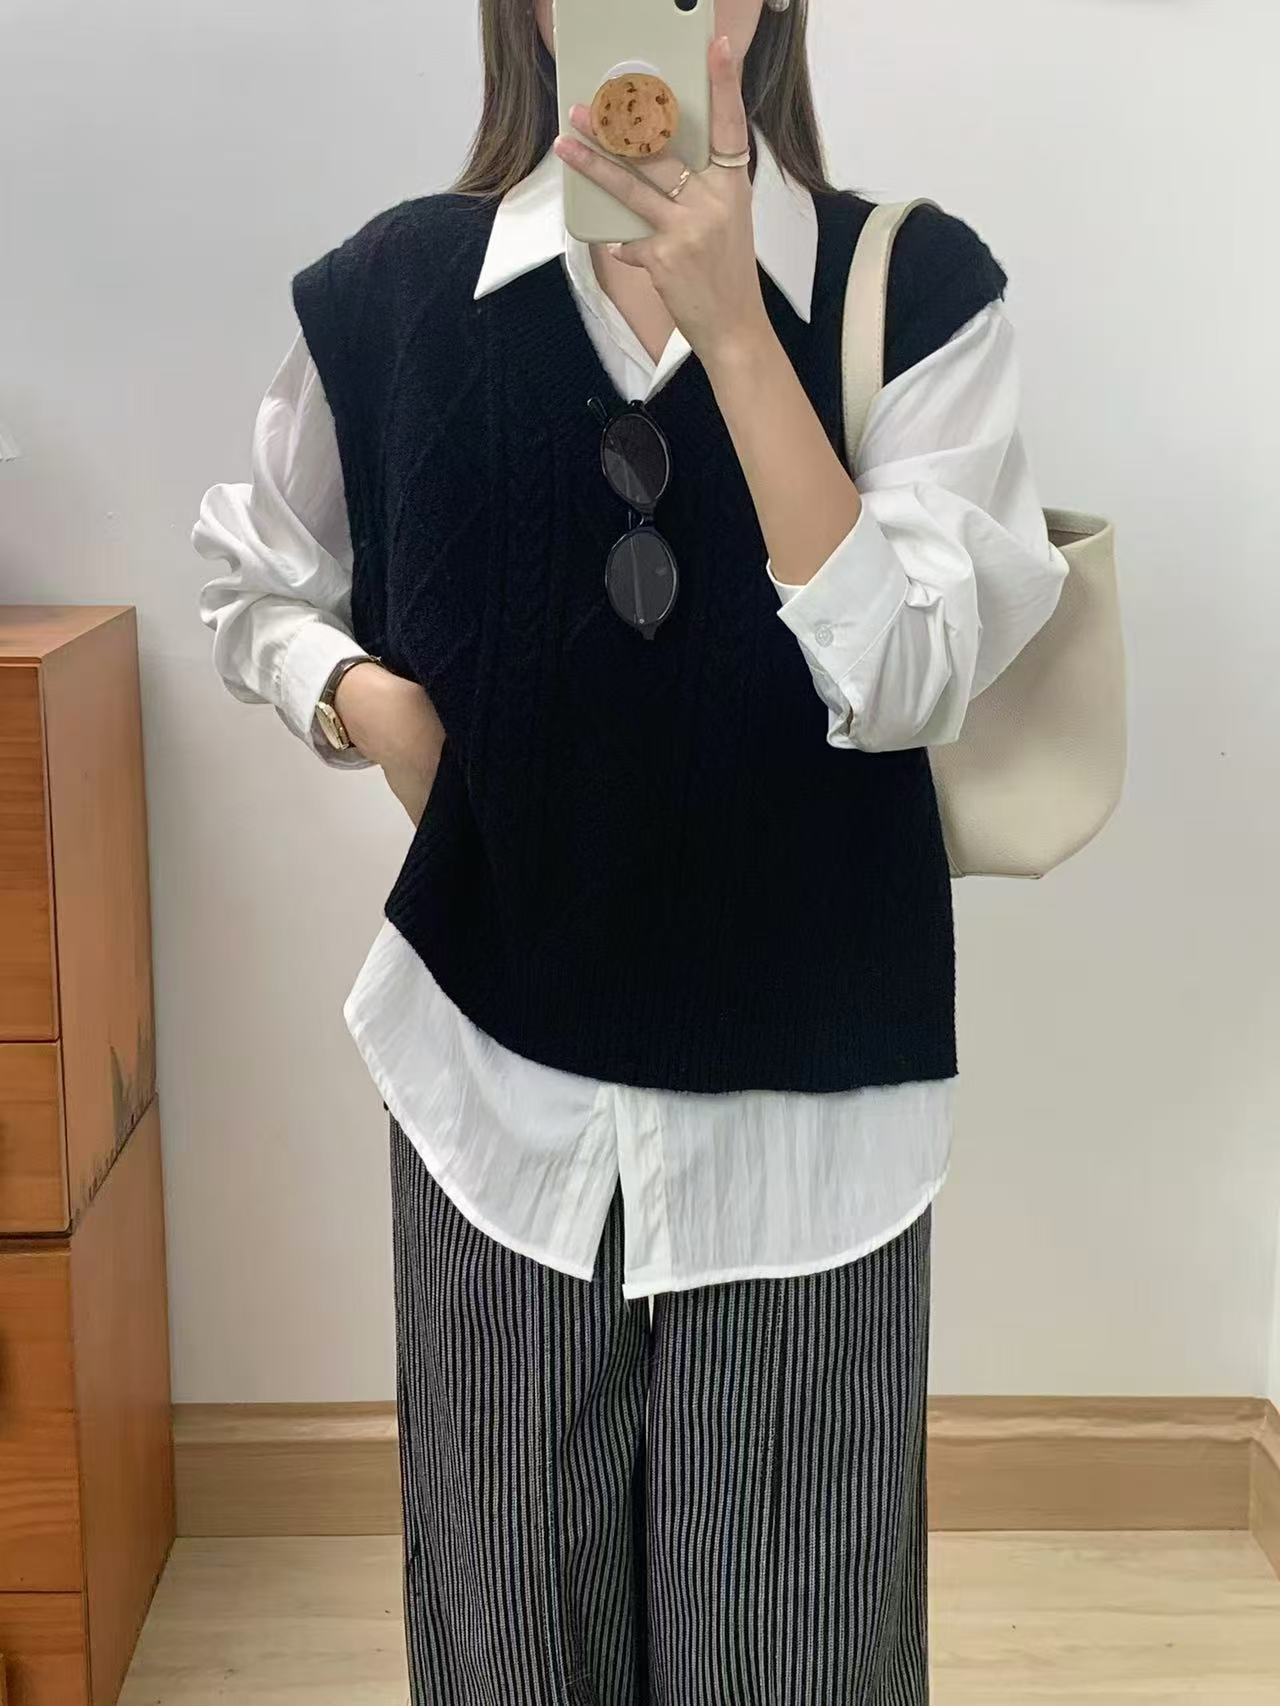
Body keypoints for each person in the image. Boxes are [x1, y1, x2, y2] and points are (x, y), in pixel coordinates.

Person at [194, 1, 1067, 1699]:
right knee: (510, 1654)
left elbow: (906, 679)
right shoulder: (401, 291)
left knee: (795, 1661)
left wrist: (739, 331)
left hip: (812, 1131)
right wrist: (363, 703)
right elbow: (255, 574)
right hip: (491, 1095)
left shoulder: (912, 290)